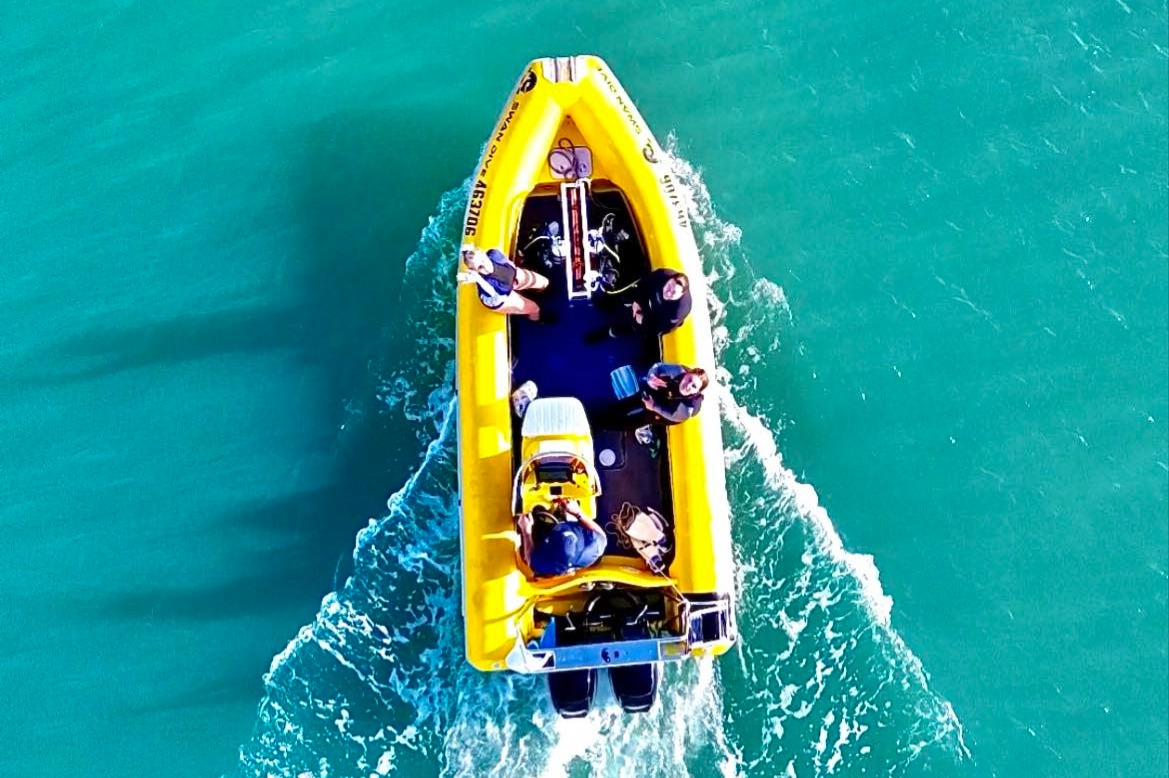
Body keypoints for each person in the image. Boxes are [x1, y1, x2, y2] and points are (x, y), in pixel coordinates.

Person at [589, 269, 692, 340]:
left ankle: (610, 332)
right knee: (626, 296)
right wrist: (637, 302)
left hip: (657, 317)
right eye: (669, 286)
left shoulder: (678, 311)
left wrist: (643, 319)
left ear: (681, 295)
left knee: (637, 328)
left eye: (673, 293)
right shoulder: (662, 275)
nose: (668, 292)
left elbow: (659, 329)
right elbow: (643, 284)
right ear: (668, 279)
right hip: (646, 299)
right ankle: (607, 305)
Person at [516, 498, 607, 577]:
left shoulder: (547, 562)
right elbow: (601, 535)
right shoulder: (594, 544)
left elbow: (530, 561)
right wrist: (577, 512)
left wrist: (526, 531)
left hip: (546, 550)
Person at [459, 244, 550, 320]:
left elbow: (508, 263)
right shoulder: (488, 283)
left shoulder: (494, 255)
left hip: (509, 281)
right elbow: (493, 292)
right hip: (499, 298)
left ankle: (543, 293)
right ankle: (537, 320)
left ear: (485, 254)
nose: (485, 266)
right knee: (534, 308)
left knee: (544, 282)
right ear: (474, 270)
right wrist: (478, 279)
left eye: (483, 260)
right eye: (480, 267)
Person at [606, 362, 708, 428]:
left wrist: (654, 406)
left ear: (696, 392)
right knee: (641, 392)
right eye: (689, 379)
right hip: (667, 392)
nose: (688, 385)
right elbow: (658, 366)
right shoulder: (678, 371)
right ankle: (610, 407)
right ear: (686, 374)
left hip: (672, 411)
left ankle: (607, 426)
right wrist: (651, 376)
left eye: (694, 386)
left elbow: (672, 416)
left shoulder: (686, 409)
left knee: (643, 418)